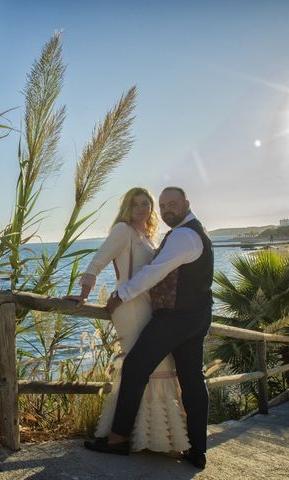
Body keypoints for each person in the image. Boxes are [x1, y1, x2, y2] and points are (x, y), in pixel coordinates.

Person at [84, 187, 213, 470]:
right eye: (163, 205)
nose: (166, 209)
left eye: (172, 204)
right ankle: (197, 449)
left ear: (186, 203)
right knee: (191, 379)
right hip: (197, 317)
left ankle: (117, 440)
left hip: (174, 319)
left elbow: (155, 272)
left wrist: (122, 294)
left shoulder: (181, 236)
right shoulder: (195, 232)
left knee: (134, 368)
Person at [69, 187, 190, 453]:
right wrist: (84, 293)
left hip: (148, 305)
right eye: (135, 204)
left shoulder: (146, 235)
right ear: (126, 207)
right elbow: (98, 260)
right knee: (141, 366)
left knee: (154, 365)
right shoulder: (123, 230)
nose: (141, 208)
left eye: (145, 204)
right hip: (128, 306)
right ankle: (122, 437)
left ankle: (140, 435)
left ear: (151, 208)